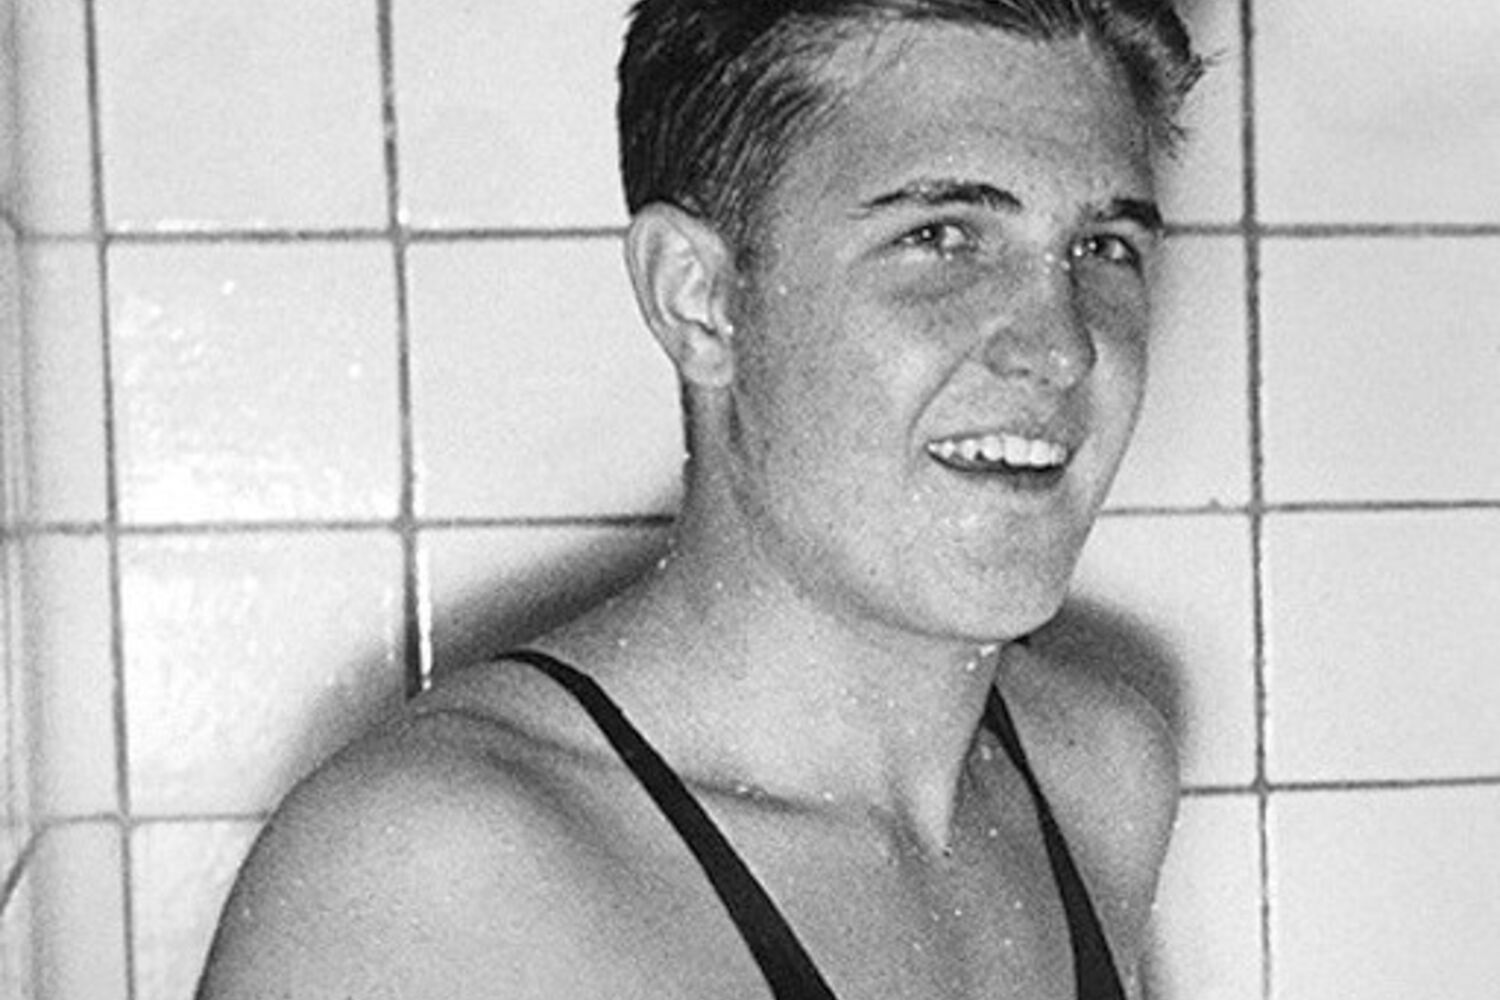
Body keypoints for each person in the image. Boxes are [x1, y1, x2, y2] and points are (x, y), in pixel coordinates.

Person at [198, 1, 1203, 997]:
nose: (1062, 348)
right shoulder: (439, 872)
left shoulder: (1096, 774)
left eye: (1103, 248)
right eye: (942, 237)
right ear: (699, 297)